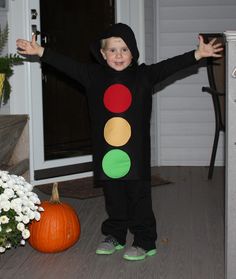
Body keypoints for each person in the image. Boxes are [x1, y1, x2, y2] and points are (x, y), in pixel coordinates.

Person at [16, 23, 223, 261]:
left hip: (135, 155)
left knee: (138, 198)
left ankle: (145, 241)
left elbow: (170, 66)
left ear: (133, 52)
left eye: (124, 49)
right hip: (107, 154)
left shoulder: (144, 76)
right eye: (112, 50)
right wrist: (41, 51)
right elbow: (68, 65)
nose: (118, 55)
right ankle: (115, 235)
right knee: (114, 198)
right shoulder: (92, 75)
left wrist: (197, 54)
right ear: (103, 54)